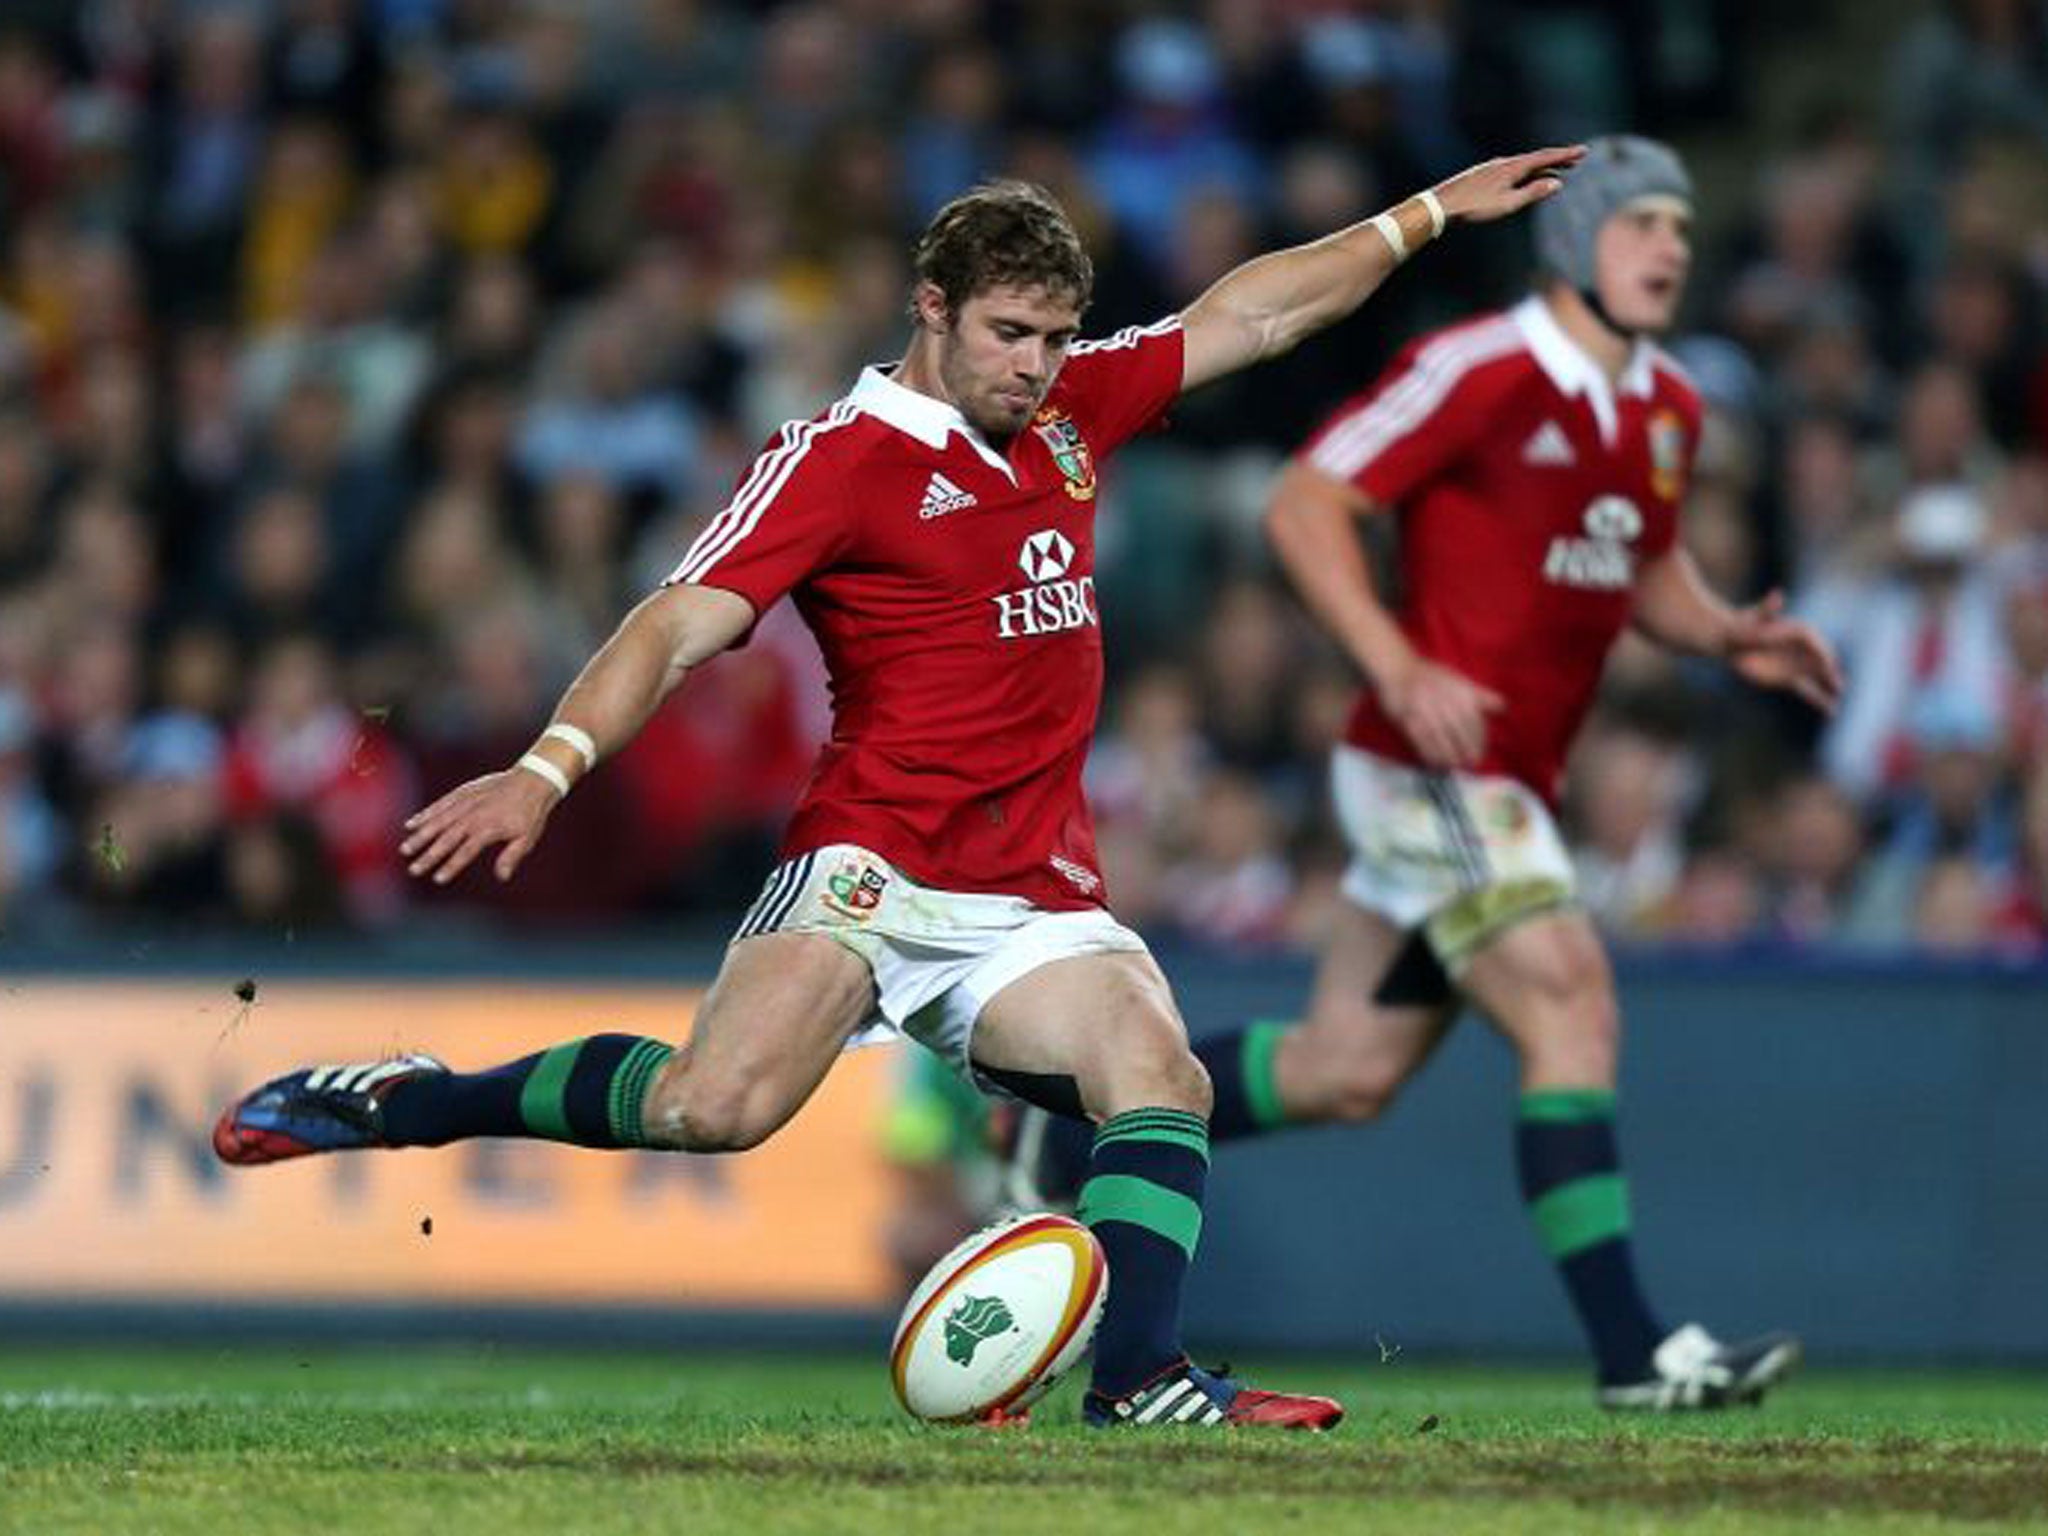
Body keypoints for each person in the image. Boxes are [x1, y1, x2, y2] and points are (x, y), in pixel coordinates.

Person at [212, 147, 1582, 1430]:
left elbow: (1253, 315)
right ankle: (416, 1099)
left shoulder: (1067, 417)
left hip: (1033, 890)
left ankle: (1142, 1380)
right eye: (1010, 337)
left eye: (1055, 339)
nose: (1039, 369)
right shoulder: (836, 460)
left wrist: (1428, 215)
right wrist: (545, 767)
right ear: (933, 309)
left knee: (1157, 1070)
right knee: (712, 1107)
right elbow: (675, 623)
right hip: (872, 868)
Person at [1010, 137, 1845, 1412]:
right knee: (1569, 1001)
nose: (1669, 249)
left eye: (1678, 228)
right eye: (1641, 226)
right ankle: (1636, 1355)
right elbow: (1305, 501)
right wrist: (1395, 663)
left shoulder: (1667, 408)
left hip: (1506, 781)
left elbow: (1641, 567)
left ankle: (1066, 1133)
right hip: (1427, 771)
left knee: (1348, 1067)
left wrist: (1724, 630)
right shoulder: (1480, 369)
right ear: (1574, 245)